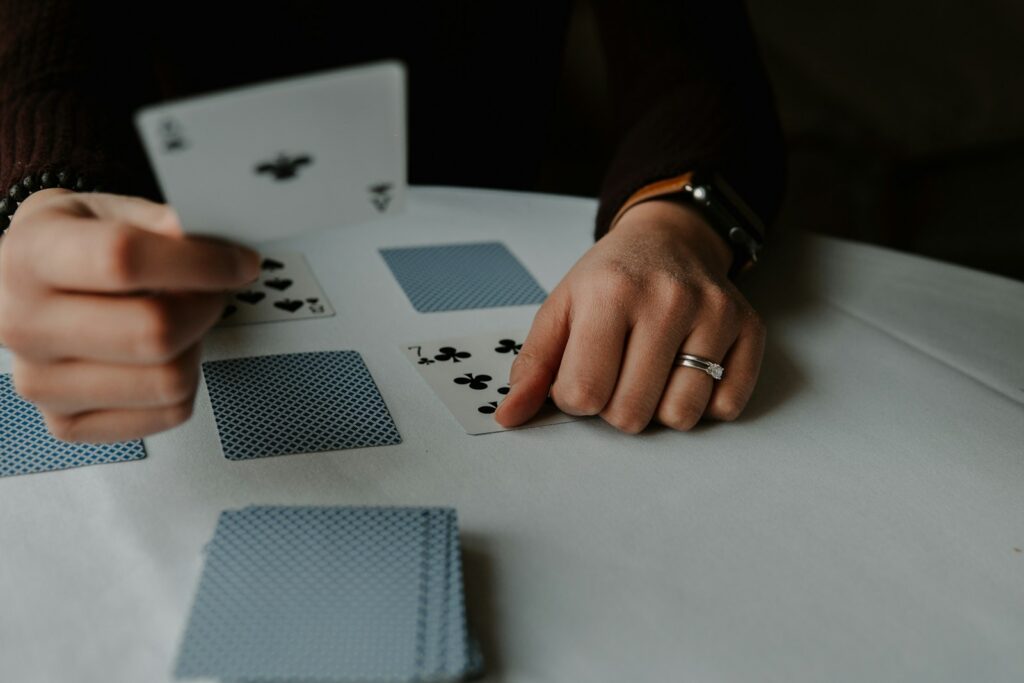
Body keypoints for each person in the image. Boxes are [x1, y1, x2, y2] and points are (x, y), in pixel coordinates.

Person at [0, 1, 784, 442]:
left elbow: (698, 63)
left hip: (480, 187)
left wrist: (674, 227)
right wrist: (42, 198)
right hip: (178, 216)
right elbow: (44, 56)